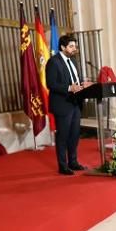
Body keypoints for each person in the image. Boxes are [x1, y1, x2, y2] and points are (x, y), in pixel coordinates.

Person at [45, 34, 92, 175]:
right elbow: (51, 84)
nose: (74, 49)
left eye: (75, 46)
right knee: (63, 136)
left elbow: (75, 79)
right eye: (71, 46)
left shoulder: (73, 61)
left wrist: (83, 84)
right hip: (62, 104)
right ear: (62, 47)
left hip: (75, 103)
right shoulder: (54, 62)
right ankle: (63, 166)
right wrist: (69, 88)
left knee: (74, 135)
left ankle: (73, 162)